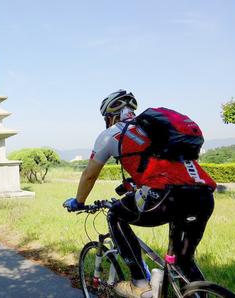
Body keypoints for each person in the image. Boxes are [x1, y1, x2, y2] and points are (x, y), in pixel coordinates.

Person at [63, 90, 216, 298]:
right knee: (182, 260)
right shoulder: (156, 132)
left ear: (109, 117)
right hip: (203, 195)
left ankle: (140, 284)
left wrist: (78, 202)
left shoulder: (111, 133)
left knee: (115, 214)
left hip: (164, 195)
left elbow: (89, 175)